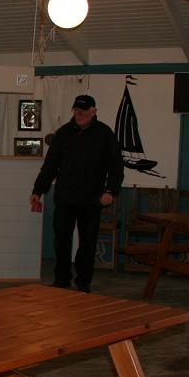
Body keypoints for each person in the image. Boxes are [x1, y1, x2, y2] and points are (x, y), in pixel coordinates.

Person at [30, 94, 123, 293]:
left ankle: (83, 282)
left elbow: (116, 167)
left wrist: (110, 191)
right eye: (77, 111)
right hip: (65, 197)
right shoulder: (63, 133)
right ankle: (61, 279)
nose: (80, 114)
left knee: (88, 243)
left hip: (92, 199)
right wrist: (38, 190)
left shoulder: (104, 134)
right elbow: (50, 166)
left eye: (84, 111)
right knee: (61, 241)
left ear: (93, 112)